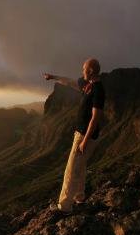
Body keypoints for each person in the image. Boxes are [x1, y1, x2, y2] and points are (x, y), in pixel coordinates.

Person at [43, 58, 106, 214]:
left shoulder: (98, 90)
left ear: (90, 71)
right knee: (80, 167)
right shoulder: (88, 85)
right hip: (80, 134)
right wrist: (54, 77)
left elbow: (95, 117)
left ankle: (64, 207)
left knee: (71, 169)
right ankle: (79, 197)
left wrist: (84, 140)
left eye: (83, 68)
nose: (82, 71)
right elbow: (70, 82)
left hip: (86, 137)